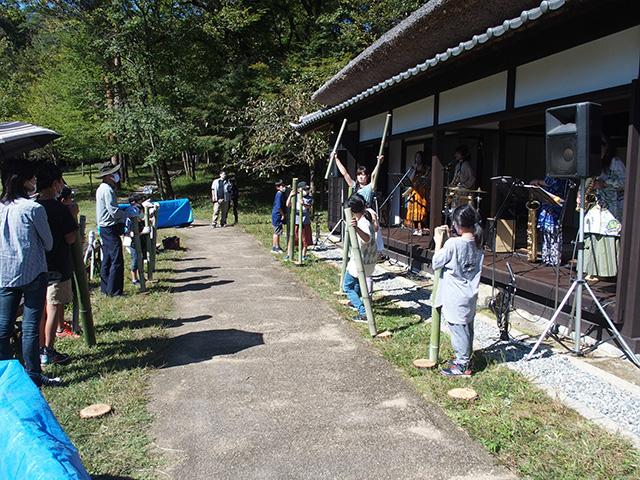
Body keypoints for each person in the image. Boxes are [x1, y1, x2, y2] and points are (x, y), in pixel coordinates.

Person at [0, 159, 58, 387]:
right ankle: (33, 374)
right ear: (24, 182)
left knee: (4, 327)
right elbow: (48, 243)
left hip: (4, 274)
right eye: (33, 178)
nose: (35, 181)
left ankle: (6, 376)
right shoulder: (34, 209)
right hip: (33, 272)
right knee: (30, 327)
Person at [432, 204, 484, 377]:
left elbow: (436, 262)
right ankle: (465, 358)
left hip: (455, 295)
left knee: (457, 330)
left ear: (457, 224)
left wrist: (439, 243)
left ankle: (462, 366)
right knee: (467, 327)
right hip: (470, 292)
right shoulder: (478, 242)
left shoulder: (453, 243)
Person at [36, 163, 79, 366]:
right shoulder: (60, 209)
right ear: (55, 184)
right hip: (58, 267)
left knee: (40, 310)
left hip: (36, 267)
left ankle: (37, 348)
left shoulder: (33, 208)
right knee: (53, 307)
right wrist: (72, 216)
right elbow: (71, 238)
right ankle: (48, 350)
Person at [583, 135, 626, 279]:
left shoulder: (615, 162)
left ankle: (604, 273)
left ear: (607, 146)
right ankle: (592, 271)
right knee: (592, 234)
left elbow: (626, 182)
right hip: (595, 209)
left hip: (610, 209)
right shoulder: (595, 163)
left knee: (605, 237)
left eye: (600, 145)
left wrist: (605, 184)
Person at [95, 161, 135, 297]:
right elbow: (114, 212)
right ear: (109, 175)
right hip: (109, 227)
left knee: (107, 258)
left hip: (105, 227)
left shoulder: (102, 188)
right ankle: (114, 291)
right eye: (114, 173)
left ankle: (105, 288)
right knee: (116, 259)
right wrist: (129, 213)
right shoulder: (107, 190)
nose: (116, 175)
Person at [342, 194, 378, 323]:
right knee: (357, 284)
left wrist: (356, 228)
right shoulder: (368, 215)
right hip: (369, 260)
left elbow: (367, 238)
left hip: (361, 261)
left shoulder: (362, 222)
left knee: (347, 286)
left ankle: (363, 313)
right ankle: (357, 303)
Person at [529, 176, 569, 267]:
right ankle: (546, 258)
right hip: (546, 204)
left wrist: (537, 181)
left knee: (554, 232)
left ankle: (554, 259)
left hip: (555, 204)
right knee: (545, 232)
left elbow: (554, 184)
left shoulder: (561, 171)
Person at [404, 151, 431, 236]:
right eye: (416, 157)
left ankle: (422, 229)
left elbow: (428, 180)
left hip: (422, 191)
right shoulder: (413, 168)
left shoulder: (427, 168)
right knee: (413, 211)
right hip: (414, 191)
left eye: (419, 157)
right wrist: (415, 169)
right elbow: (411, 180)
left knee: (421, 211)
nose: (417, 159)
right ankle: (416, 229)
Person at [124, 193, 149, 285]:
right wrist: (143, 232)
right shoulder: (132, 222)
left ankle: (141, 277)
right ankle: (134, 279)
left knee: (141, 259)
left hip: (139, 244)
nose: (142, 213)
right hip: (133, 245)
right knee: (135, 261)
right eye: (140, 212)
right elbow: (132, 234)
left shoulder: (140, 220)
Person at [285, 181, 313, 260]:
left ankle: (303, 255)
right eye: (304, 189)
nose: (305, 190)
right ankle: (289, 254)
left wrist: (303, 204)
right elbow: (287, 204)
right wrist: (290, 195)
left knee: (305, 240)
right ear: (298, 189)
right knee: (293, 238)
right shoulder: (295, 196)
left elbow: (308, 206)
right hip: (296, 221)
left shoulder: (308, 198)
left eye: (306, 189)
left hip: (305, 221)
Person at [271, 180, 287, 253]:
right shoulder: (279, 195)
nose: (284, 187)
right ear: (277, 187)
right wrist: (283, 214)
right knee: (277, 232)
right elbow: (278, 207)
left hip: (276, 214)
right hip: (277, 214)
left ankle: (274, 247)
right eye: (282, 186)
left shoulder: (280, 194)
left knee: (276, 231)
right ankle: (277, 247)